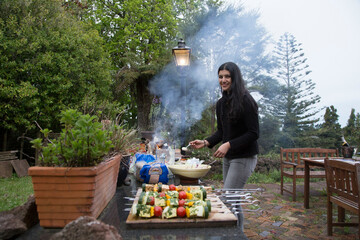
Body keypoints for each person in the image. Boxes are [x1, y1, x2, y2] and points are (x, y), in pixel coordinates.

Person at [189, 62, 259, 189]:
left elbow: (253, 133)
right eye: (220, 77)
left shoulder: (246, 101)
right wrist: (205, 142)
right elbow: (222, 131)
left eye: (227, 76)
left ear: (235, 78)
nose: (223, 80)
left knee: (228, 197)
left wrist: (228, 144)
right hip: (229, 157)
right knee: (233, 200)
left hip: (244, 156)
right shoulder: (221, 103)